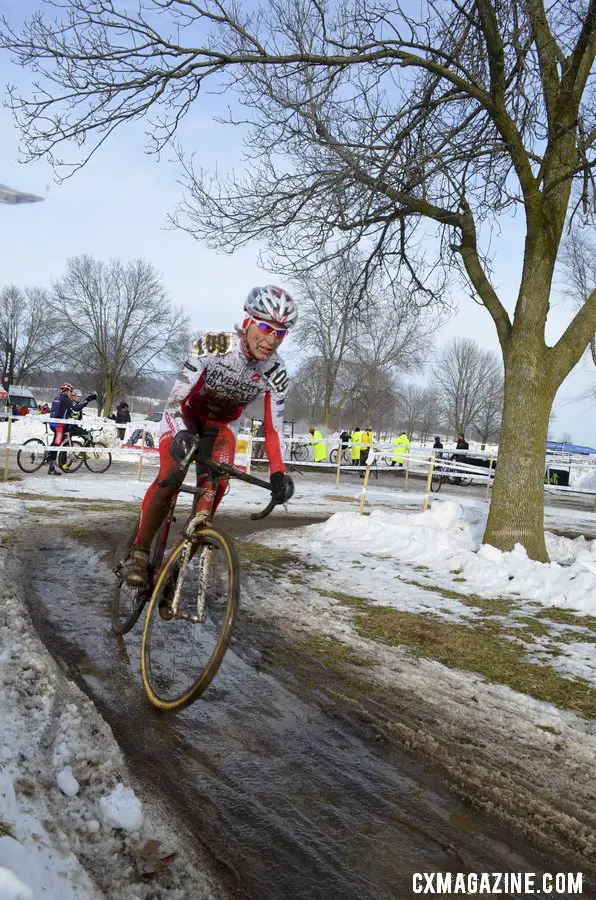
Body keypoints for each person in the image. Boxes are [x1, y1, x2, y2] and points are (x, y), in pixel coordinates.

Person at [123, 285, 297, 587]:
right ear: (248, 321)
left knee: (210, 498)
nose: (271, 340)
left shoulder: (277, 371)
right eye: (266, 327)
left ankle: (173, 572)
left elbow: (272, 429)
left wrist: (279, 473)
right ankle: (138, 551)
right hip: (185, 416)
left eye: (280, 333)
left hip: (221, 429)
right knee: (170, 477)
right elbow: (176, 400)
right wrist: (180, 433)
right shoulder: (213, 345)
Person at [47, 383, 97, 475]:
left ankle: (49, 456)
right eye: (70, 391)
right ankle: (51, 468)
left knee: (56, 442)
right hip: (59, 425)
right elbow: (76, 408)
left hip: (53, 424)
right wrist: (87, 400)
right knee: (56, 445)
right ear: (65, 391)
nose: (71, 393)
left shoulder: (57, 398)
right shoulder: (65, 399)